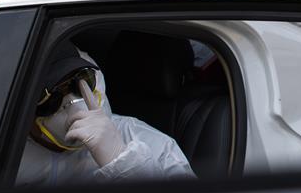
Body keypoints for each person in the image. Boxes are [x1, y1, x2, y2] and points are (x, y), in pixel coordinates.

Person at [17, 42, 194, 185]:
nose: (71, 102)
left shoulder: (152, 144)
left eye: (80, 83)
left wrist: (123, 163)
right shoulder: (8, 151)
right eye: (51, 97)